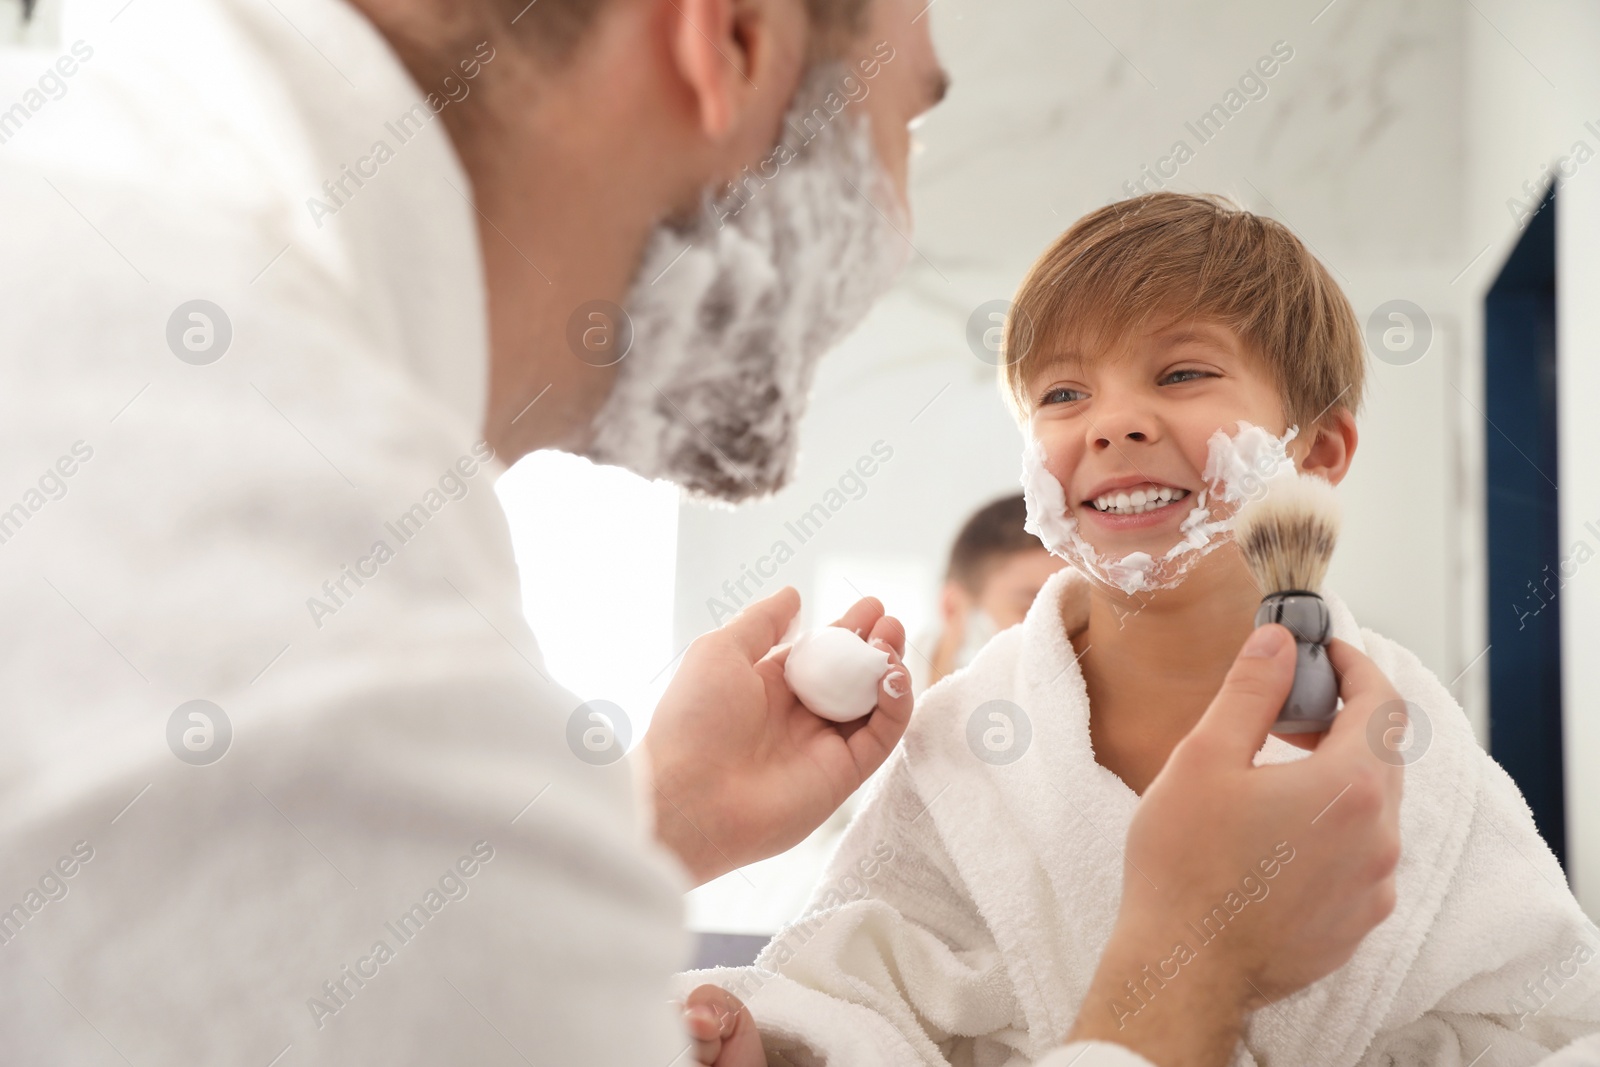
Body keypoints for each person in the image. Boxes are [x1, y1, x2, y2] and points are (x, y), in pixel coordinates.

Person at [0, 2, 1415, 1064]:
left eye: (1176, 373)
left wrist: (649, 823)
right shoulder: (285, 587)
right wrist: (1185, 973)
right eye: (906, 123)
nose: (904, 220)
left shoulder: (147, 319)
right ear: (728, 40)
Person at [677, 195, 1600, 1064]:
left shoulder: (1405, 739)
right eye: (1063, 395)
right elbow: (856, 989)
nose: (1112, 422)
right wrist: (787, 1042)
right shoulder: (968, 738)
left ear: (1314, 452)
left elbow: (1549, 1016)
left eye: (1183, 372)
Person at [919, 493, 1065, 694]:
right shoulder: (870, 705)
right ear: (952, 609)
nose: (1062, 632)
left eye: (1074, 609)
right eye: (1032, 608)